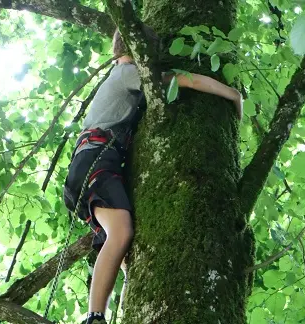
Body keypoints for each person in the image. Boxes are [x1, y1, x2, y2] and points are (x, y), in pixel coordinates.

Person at [63, 26, 243, 324]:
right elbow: (183, 80)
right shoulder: (125, 73)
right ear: (136, 50)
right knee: (121, 233)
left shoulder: (119, 79)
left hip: (91, 164)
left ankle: (114, 311)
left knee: (124, 252)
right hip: (95, 159)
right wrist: (232, 94)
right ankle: (94, 316)